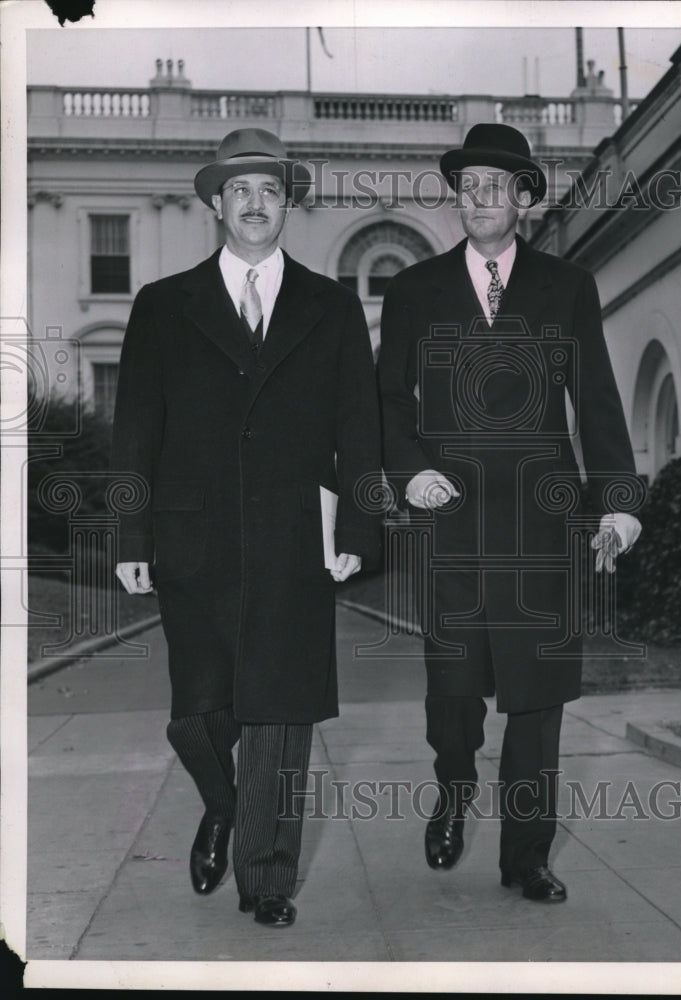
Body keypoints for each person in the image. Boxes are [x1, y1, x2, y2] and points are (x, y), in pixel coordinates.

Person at [111, 128, 381, 928]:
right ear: (216, 203)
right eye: (239, 189)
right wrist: (130, 537)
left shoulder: (332, 306)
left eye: (269, 189)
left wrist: (357, 526)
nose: (255, 203)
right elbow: (135, 431)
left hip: (296, 534)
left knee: (281, 707)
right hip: (192, 538)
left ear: (286, 202)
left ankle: (266, 878)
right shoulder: (163, 304)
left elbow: (358, 425)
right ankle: (223, 805)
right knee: (198, 712)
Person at [377, 123, 642, 902]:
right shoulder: (414, 290)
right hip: (450, 518)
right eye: (468, 186)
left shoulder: (566, 286)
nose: (480, 197)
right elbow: (386, 401)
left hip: (541, 520)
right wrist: (410, 473)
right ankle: (453, 788)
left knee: (537, 695)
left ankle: (526, 855)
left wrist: (617, 501)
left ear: (523, 198)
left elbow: (595, 398)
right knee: (454, 689)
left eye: (496, 185)